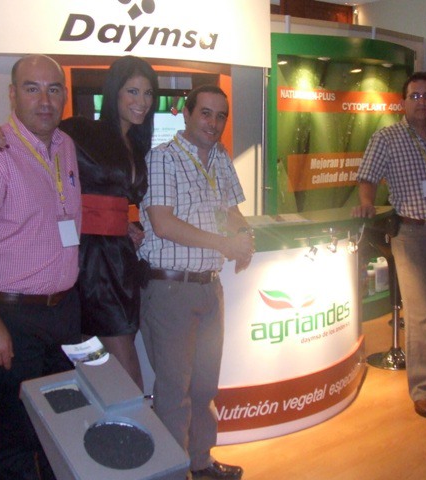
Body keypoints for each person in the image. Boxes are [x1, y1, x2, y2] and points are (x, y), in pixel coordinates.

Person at [0, 56, 159, 390]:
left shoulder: (137, 143)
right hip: (91, 266)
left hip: (119, 262)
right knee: (122, 368)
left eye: (147, 93)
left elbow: (104, 198)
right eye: (132, 91)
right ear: (114, 92)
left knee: (97, 371)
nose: (141, 101)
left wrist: (124, 225)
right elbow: (37, 132)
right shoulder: (81, 131)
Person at [0, 54, 82, 479]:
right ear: (12, 94)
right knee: (17, 436)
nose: (44, 100)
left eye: (53, 89)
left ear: (64, 95)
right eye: (31, 88)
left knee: (62, 427)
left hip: (62, 313)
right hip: (11, 316)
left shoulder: (65, 146)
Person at [139, 84, 254, 479]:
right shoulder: (162, 158)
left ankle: (200, 464)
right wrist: (224, 243)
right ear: (186, 114)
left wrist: (243, 237)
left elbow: (231, 211)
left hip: (209, 286)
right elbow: (163, 223)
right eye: (205, 113)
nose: (213, 123)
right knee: (175, 392)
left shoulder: (221, 158)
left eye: (220, 116)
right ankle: (174, 474)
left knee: (205, 387)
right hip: (171, 288)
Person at [352, 72, 426, 419]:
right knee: (421, 314)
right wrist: (367, 203)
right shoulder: (386, 138)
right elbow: (367, 176)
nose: (421, 101)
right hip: (411, 235)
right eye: (415, 96)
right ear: (403, 102)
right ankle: (422, 389)